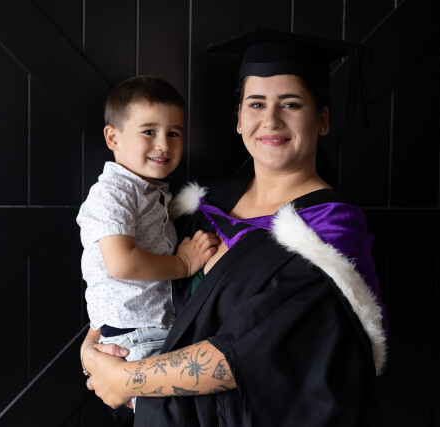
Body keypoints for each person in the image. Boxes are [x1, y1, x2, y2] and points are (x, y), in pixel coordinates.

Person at [82, 27, 388, 426]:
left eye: (291, 104)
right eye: (256, 104)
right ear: (239, 120)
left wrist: (124, 379)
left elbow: (245, 354)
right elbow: (131, 285)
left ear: (323, 120)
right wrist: (93, 347)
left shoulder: (329, 233)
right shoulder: (203, 205)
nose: (271, 120)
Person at [77, 75, 219, 410]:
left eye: (174, 133)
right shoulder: (112, 193)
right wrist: (184, 264)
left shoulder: (151, 192)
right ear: (113, 137)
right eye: (149, 132)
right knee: (170, 414)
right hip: (136, 334)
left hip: (148, 328)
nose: (164, 145)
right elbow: (122, 263)